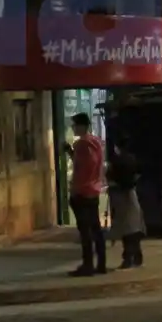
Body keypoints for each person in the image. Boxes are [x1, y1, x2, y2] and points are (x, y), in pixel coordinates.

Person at [66, 113, 107, 276]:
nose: (73, 128)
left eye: (75, 125)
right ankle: (101, 263)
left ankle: (88, 265)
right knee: (96, 229)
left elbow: (82, 166)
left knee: (85, 231)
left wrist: (75, 189)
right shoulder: (96, 142)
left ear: (82, 126)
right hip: (94, 191)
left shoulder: (82, 144)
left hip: (82, 192)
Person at [107, 148, 144, 268]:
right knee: (134, 226)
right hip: (131, 193)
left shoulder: (117, 161)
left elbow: (111, 176)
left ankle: (128, 257)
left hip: (120, 194)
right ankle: (136, 255)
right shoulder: (132, 159)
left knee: (125, 227)